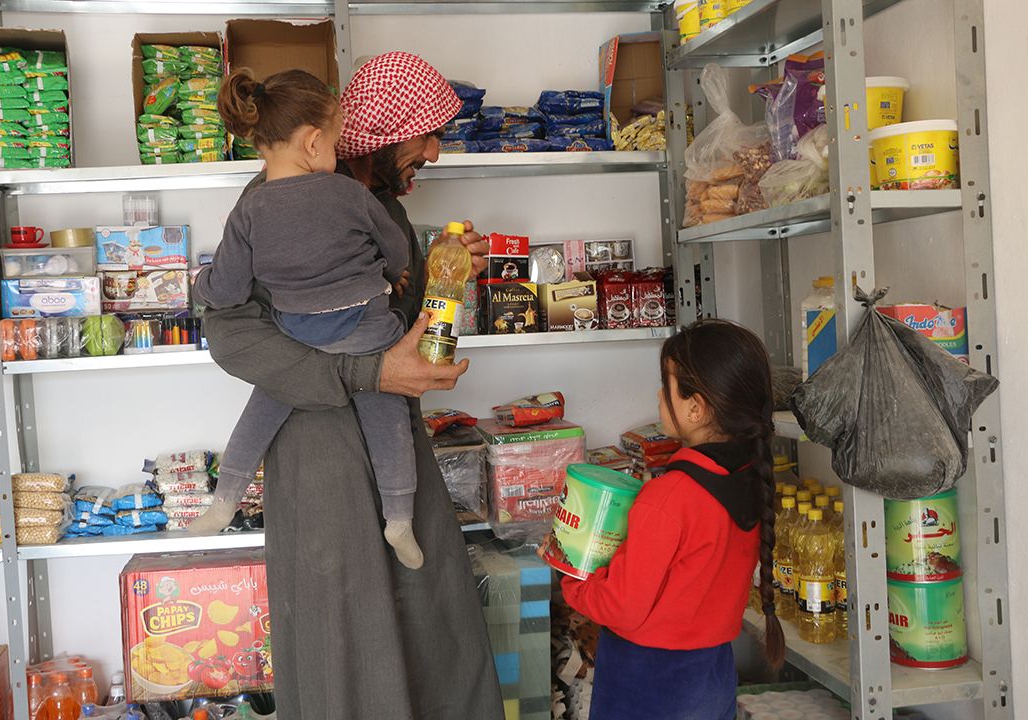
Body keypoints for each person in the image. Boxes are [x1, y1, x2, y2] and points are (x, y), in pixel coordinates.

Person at [195, 52, 505, 719]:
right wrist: (369, 372)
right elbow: (230, 333)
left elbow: (390, 322)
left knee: (430, 622)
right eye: (425, 133)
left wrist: (450, 276)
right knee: (345, 640)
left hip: (394, 440)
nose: (436, 151)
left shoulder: (379, 202)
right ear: (384, 129)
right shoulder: (273, 204)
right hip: (318, 453)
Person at [193, 67, 426, 570]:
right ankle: (400, 519)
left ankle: (224, 499)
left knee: (263, 408)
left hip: (299, 335)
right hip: (368, 330)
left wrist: (200, 284)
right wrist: (391, 272)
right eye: (338, 143)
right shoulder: (349, 194)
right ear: (315, 142)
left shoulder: (249, 210)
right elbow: (396, 251)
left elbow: (229, 290)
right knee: (389, 420)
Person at [554, 320, 785, 719]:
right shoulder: (752, 482)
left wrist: (571, 573)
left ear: (696, 409)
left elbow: (621, 606)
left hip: (647, 679)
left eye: (668, 385)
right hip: (712, 672)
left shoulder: (668, 497)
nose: (659, 395)